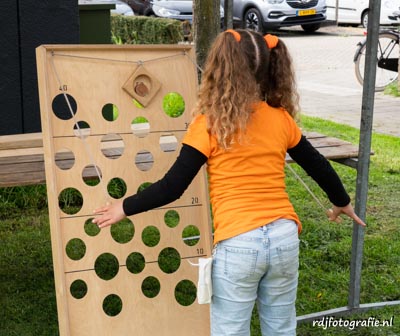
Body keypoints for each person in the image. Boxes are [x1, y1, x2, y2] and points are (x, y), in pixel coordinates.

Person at [93, 29, 366, 336]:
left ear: (219, 71)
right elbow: (318, 166)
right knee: (280, 328)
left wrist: (124, 207)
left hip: (239, 243)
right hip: (284, 237)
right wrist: (341, 201)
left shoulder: (209, 124)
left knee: (230, 330)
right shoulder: (280, 119)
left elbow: (173, 187)